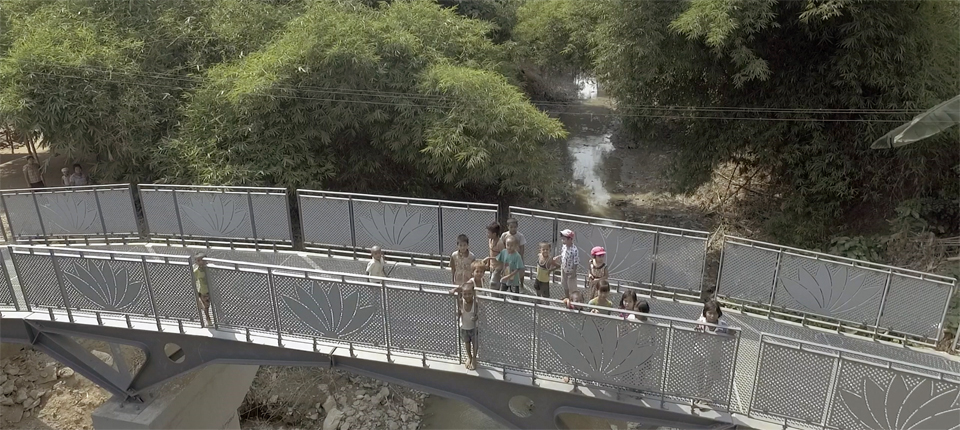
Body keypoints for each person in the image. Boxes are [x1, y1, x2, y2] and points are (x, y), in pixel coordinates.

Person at [454, 282, 480, 370]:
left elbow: (479, 314)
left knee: (475, 344)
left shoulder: (475, 303)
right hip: (464, 327)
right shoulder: (461, 301)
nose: (467, 296)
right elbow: (452, 292)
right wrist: (459, 313)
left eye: (469, 293)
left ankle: (474, 358)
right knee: (467, 343)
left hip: (473, 327)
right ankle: (469, 357)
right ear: (462, 294)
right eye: (465, 294)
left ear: (473, 293)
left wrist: (476, 317)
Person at [553, 229, 579, 298]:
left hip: (570, 271)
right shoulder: (564, 246)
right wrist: (558, 257)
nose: (562, 241)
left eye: (564, 239)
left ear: (570, 239)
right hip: (564, 268)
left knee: (572, 286)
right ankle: (567, 296)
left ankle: (572, 299)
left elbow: (576, 262)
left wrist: (574, 272)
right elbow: (563, 254)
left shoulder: (574, 250)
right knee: (564, 284)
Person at [194, 253, 213, 326]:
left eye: (202, 260)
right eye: (198, 260)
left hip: (213, 290)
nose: (200, 262)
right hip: (204, 291)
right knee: (206, 307)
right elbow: (194, 280)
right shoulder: (196, 271)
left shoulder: (209, 268)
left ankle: (221, 319)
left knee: (218, 305)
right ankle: (208, 319)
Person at [486, 222, 504, 290]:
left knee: (493, 283)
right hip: (492, 265)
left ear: (494, 234)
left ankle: (495, 298)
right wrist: (488, 263)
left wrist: (489, 258)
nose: (487, 234)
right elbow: (490, 252)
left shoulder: (500, 243)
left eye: (488, 233)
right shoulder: (490, 240)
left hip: (498, 266)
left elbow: (503, 257)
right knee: (493, 281)